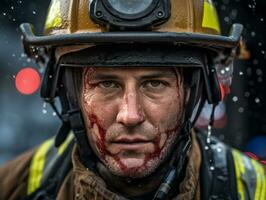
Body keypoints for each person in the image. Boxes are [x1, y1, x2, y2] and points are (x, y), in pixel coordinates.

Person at [0, 0, 265, 199]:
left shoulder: (255, 190)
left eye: (155, 83)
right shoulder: (12, 187)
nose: (130, 115)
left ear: (192, 92)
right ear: (70, 93)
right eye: (106, 83)